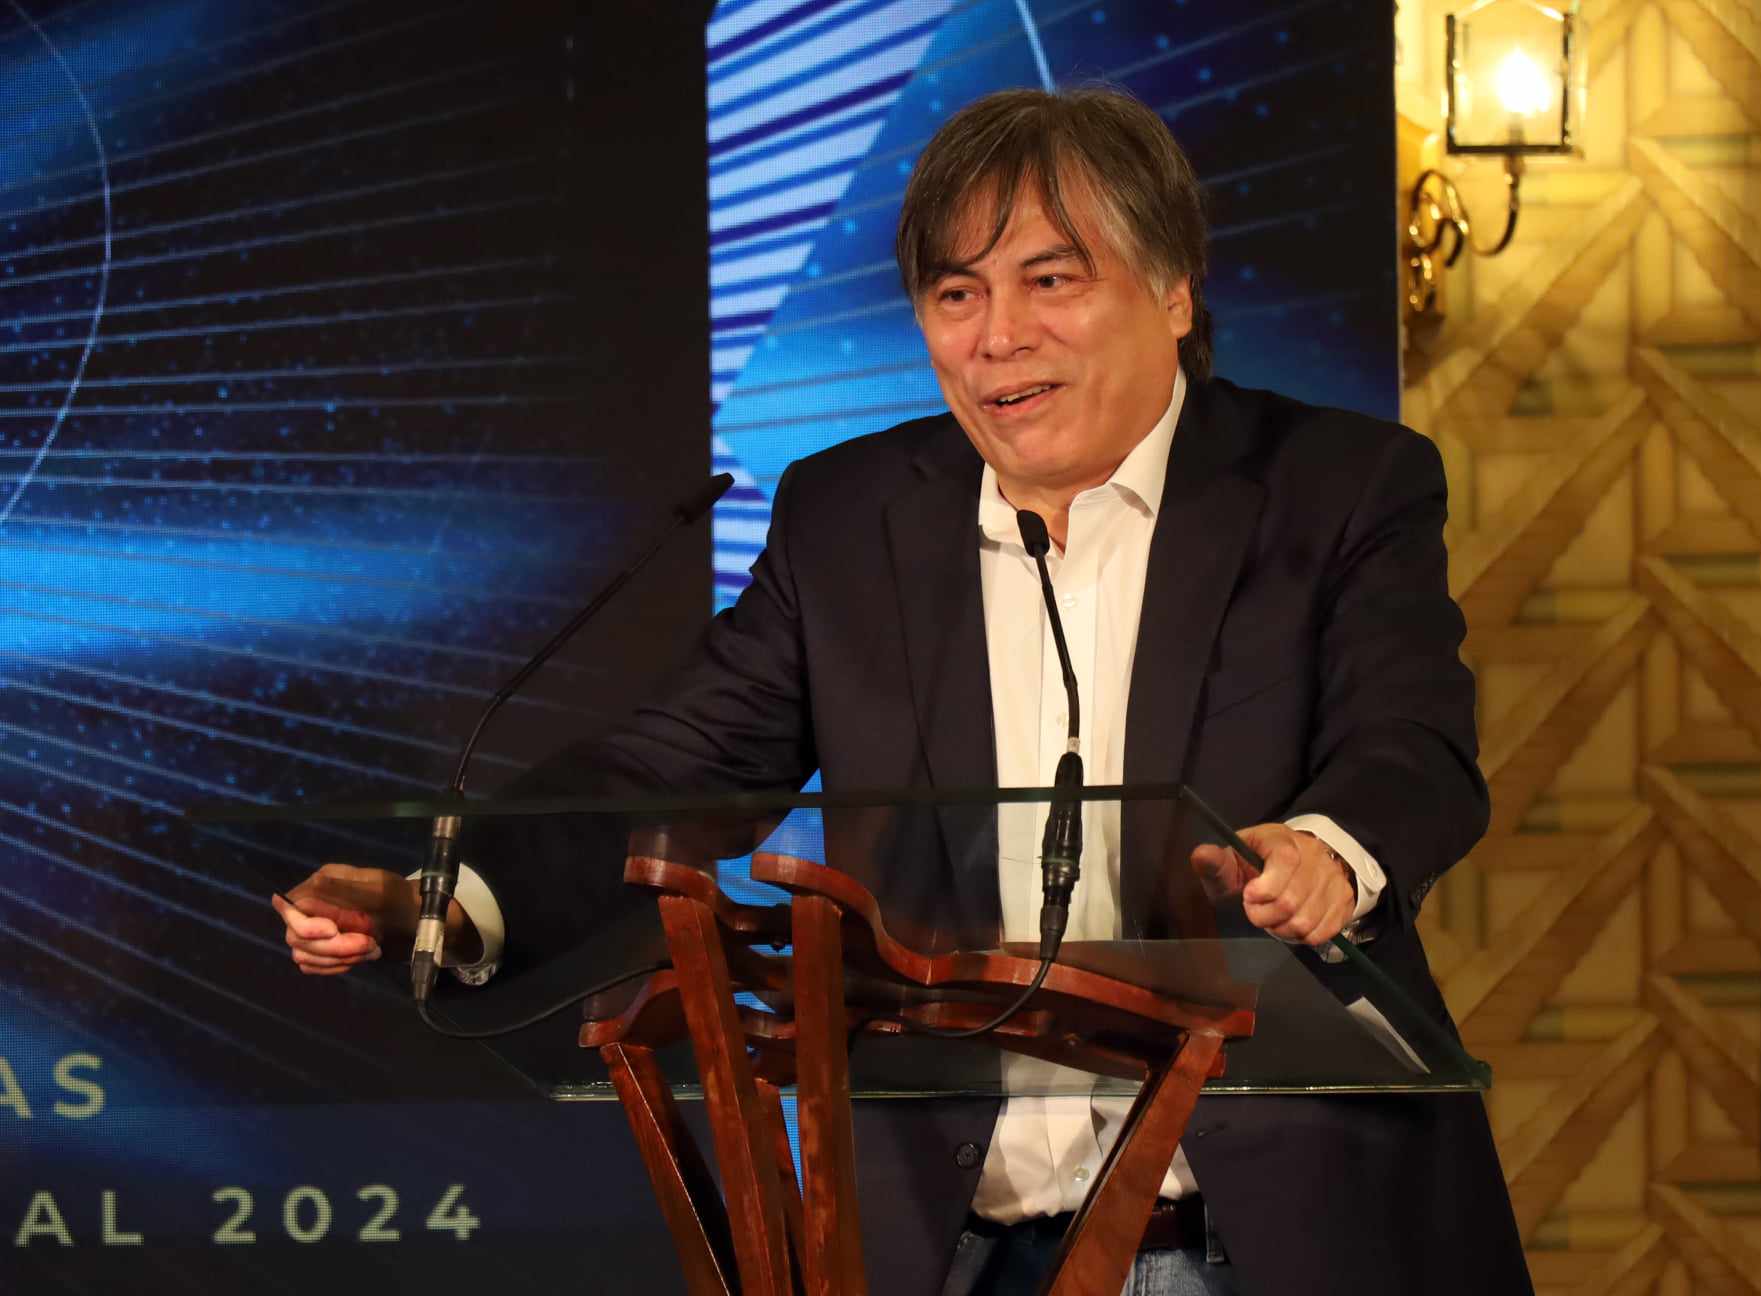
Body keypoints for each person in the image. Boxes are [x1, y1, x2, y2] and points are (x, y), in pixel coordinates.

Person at [274, 87, 1533, 1295]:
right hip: (957, 1246)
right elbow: (674, 766)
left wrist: (1327, 851)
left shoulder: (1338, 487)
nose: (998, 336)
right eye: (955, 292)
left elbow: (1411, 745)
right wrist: (449, 899)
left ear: (1173, 291)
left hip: (1277, 1232)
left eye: (1051, 280)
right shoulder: (851, 518)